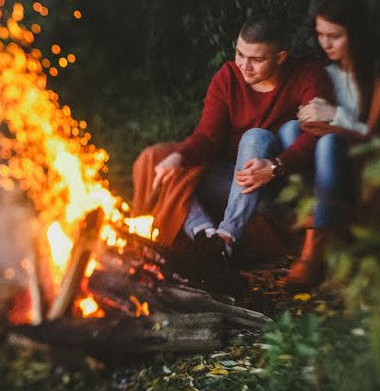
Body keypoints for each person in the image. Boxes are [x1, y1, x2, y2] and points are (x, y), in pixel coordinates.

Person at [135, 14, 334, 264]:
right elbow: (207, 136)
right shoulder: (228, 76)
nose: (244, 66)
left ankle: (227, 239)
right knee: (157, 160)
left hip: (274, 186)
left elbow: (317, 134)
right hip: (231, 180)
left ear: (281, 57)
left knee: (256, 137)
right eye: (240, 54)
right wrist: (179, 157)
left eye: (257, 59)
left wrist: (275, 167)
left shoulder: (306, 75)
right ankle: (205, 237)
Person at [280, 0, 380, 288]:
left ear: (356, 34)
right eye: (321, 35)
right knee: (288, 130)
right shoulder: (325, 73)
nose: (326, 43)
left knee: (329, 143)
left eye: (334, 35)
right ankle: (311, 215)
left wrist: (335, 114)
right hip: (327, 169)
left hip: (364, 167)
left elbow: (377, 138)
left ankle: (314, 250)